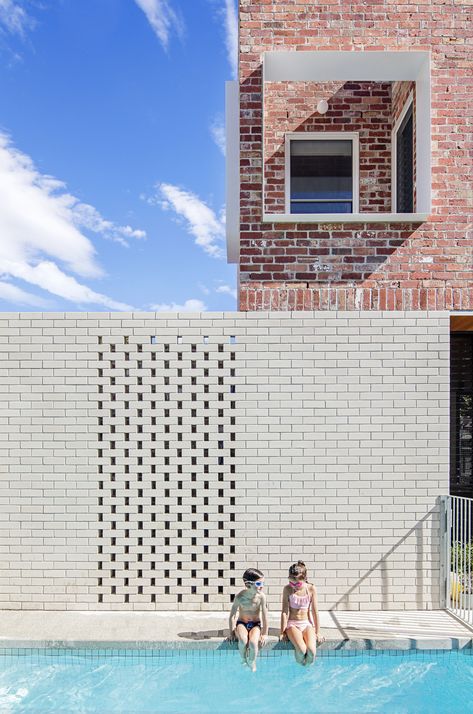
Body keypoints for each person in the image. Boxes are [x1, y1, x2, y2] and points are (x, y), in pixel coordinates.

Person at [279, 560, 325, 665]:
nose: (294, 586)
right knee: (301, 650)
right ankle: (300, 667)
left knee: (312, 652)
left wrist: (317, 632)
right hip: (292, 624)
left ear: (304, 579)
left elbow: (315, 612)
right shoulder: (287, 589)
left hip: (306, 624)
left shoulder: (311, 589)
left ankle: (306, 669)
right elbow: (284, 612)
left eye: (297, 583)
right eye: (291, 582)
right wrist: (282, 632)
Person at [227, 567, 269, 671]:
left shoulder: (261, 597)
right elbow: (232, 615)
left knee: (253, 643)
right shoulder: (240, 597)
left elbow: (264, 615)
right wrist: (232, 632)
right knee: (242, 641)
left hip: (255, 625)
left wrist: (265, 633)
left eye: (263, 583)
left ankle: (252, 661)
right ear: (248, 584)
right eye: (259, 584)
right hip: (242, 623)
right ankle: (243, 659)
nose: (261, 587)